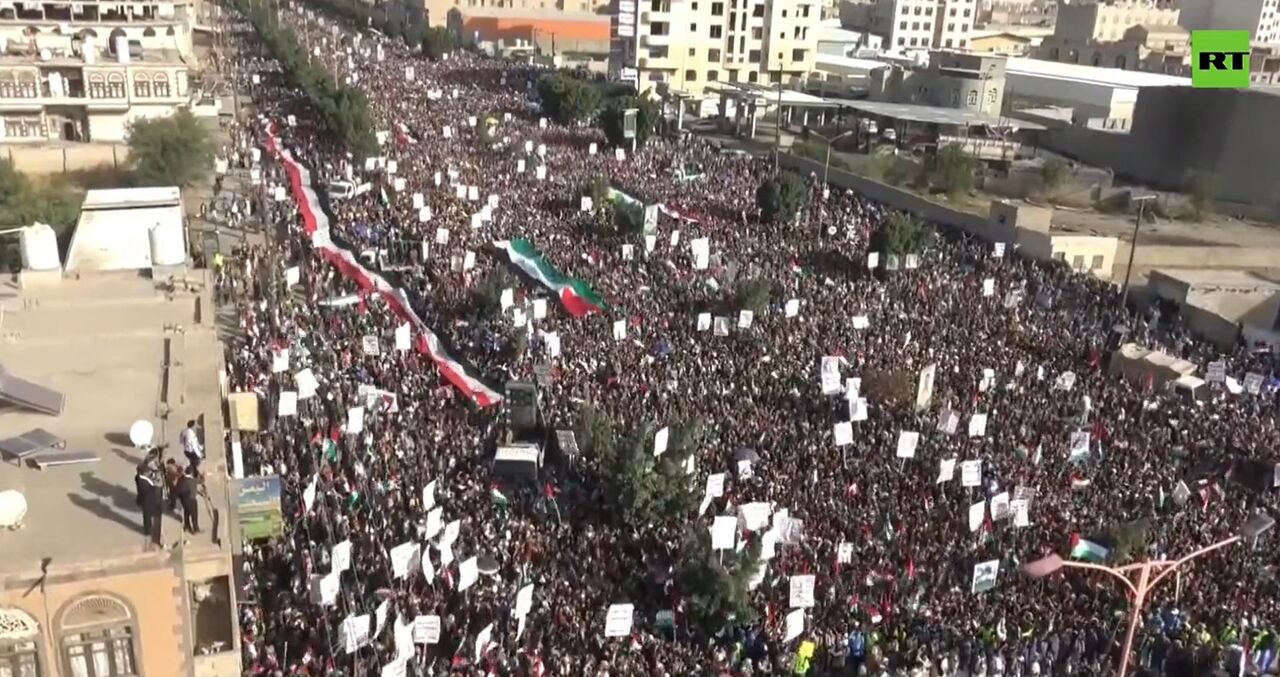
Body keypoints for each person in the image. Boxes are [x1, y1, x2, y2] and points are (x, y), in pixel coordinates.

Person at [134, 462, 161, 546]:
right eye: (148, 471)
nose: (149, 472)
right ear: (144, 473)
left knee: (147, 515)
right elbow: (150, 491)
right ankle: (147, 531)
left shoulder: (138, 477)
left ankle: (148, 528)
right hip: (147, 501)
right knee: (147, 515)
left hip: (145, 499)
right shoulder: (144, 483)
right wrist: (155, 486)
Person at [176, 467, 200, 535]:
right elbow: (201, 481)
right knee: (194, 515)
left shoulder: (181, 479)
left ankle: (187, 526)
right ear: (191, 473)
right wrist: (203, 475)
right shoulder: (192, 480)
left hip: (184, 500)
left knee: (186, 513)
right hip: (192, 499)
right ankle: (195, 528)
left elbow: (177, 489)